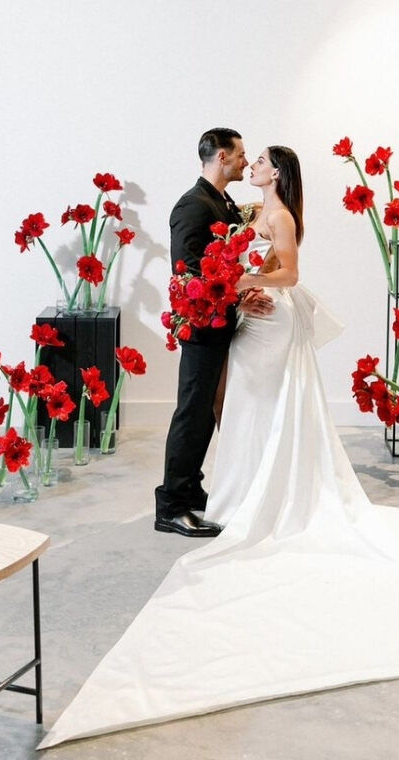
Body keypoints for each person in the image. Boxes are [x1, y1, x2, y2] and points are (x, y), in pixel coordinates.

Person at [39, 144, 399, 750]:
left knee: (260, 410)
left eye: (261, 160)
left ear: (277, 173)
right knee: (243, 412)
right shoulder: (241, 209)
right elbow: (207, 256)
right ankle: (237, 493)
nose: (253, 164)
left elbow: (289, 273)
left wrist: (241, 280)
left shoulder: (278, 214)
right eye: (247, 157)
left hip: (270, 319)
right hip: (248, 320)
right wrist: (234, 283)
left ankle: (260, 494)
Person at [154, 127, 273, 537]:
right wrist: (238, 299)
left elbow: (229, 256)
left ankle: (190, 488)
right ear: (221, 156)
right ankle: (171, 505)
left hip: (219, 323)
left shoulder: (220, 201)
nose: (246, 160)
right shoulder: (193, 206)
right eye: (241, 154)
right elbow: (187, 273)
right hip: (202, 324)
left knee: (205, 412)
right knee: (192, 411)